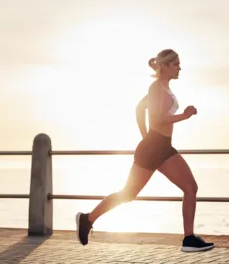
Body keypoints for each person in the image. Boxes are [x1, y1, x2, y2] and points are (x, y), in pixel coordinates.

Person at [76, 48, 215, 252]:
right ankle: (87, 219)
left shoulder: (162, 87)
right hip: (155, 147)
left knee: (190, 187)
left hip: (161, 146)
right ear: (166, 66)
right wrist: (183, 116)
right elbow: (157, 118)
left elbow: (140, 109)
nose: (179, 68)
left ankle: (188, 239)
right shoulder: (156, 88)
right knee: (128, 194)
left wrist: (146, 137)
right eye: (175, 64)